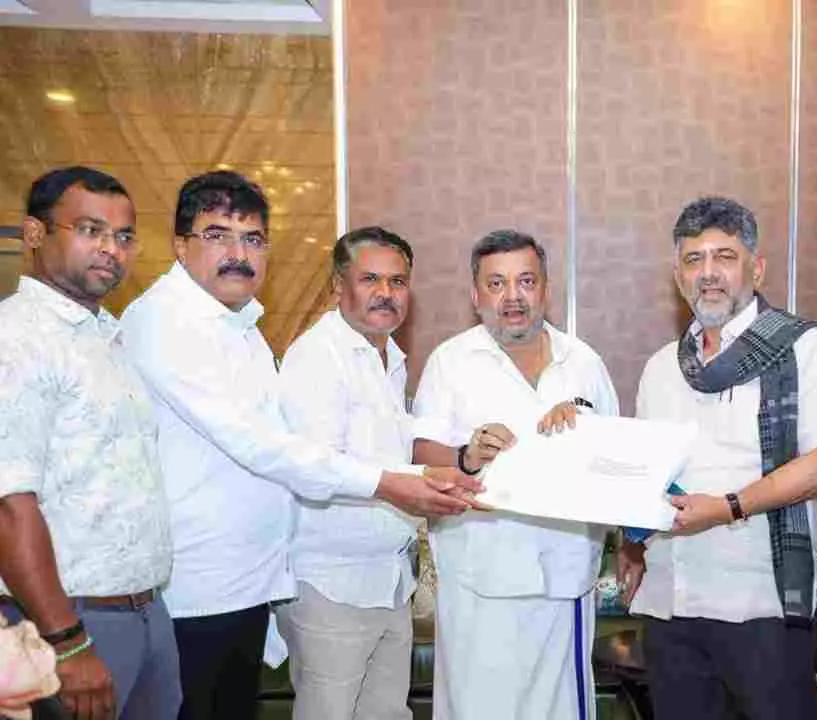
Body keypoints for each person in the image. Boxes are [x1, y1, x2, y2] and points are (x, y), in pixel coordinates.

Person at [120, 171, 481, 720]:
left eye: (253, 239)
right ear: (180, 244)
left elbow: (385, 444)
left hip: (271, 581)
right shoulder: (170, 322)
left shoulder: (248, 329)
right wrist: (393, 485)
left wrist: (454, 463)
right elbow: (266, 446)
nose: (238, 254)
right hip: (213, 586)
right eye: (218, 235)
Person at [622, 196, 817, 719]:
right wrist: (631, 545)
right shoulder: (661, 368)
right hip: (671, 603)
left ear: (757, 268)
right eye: (693, 259)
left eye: (724, 256)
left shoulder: (802, 347)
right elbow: (646, 472)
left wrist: (728, 507)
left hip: (761, 606)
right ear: (678, 276)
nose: (708, 273)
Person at [412, 229, 619, 720]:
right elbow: (420, 452)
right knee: (476, 708)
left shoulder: (584, 363)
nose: (513, 296)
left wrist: (585, 432)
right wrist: (467, 455)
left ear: (545, 289)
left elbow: (615, 459)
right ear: (475, 295)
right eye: (497, 283)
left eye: (526, 281)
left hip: (563, 575)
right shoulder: (450, 362)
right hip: (478, 575)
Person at [0, 167, 181, 719]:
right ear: (35, 234)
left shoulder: (104, 335)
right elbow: (8, 505)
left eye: (123, 236)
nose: (110, 248)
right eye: (89, 230)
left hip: (144, 611)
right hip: (66, 623)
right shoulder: (17, 339)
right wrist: (67, 640)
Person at [275, 226, 422, 719]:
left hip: (389, 580)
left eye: (397, 282)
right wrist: (406, 488)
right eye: (370, 279)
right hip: (333, 586)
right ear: (339, 285)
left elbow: (392, 451)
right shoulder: (318, 356)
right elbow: (316, 467)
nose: (386, 293)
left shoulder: (389, 358)